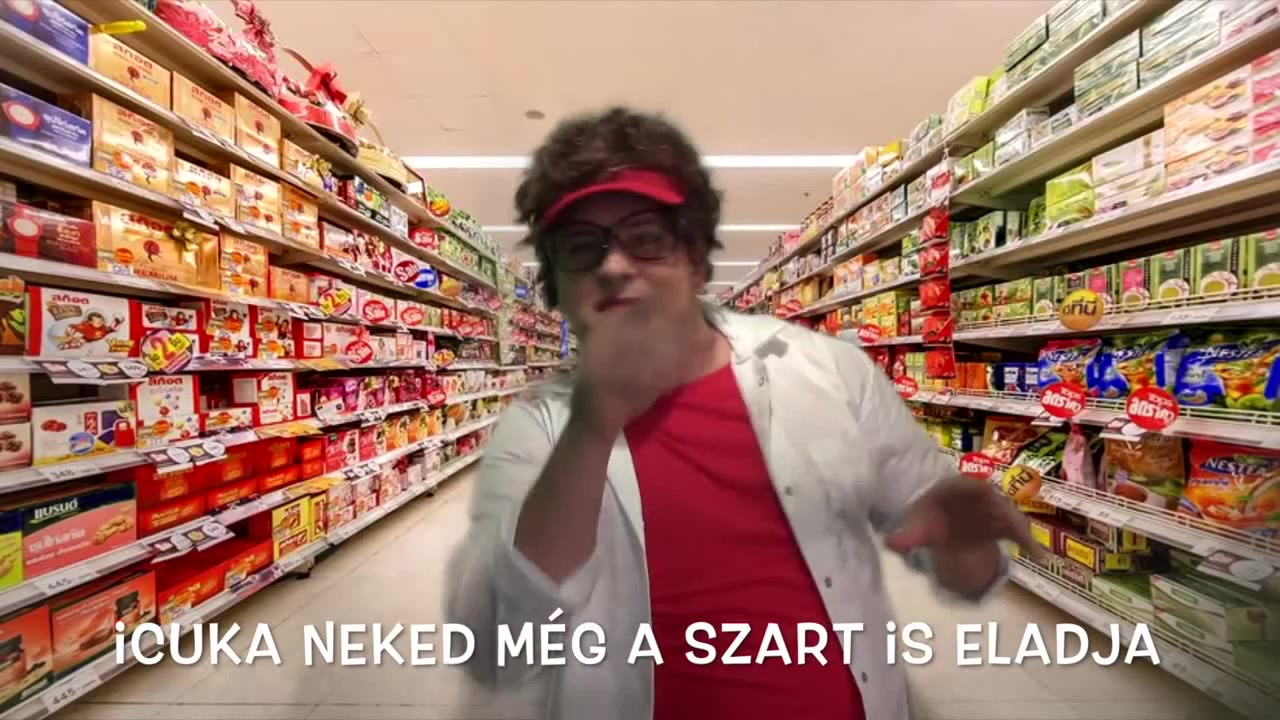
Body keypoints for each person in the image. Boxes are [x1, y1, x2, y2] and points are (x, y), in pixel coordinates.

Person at [446, 107, 1034, 720]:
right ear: (559, 286)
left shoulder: (830, 372)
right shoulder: (540, 428)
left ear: (697, 257)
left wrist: (965, 543)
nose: (613, 266)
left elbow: (966, 571)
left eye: (647, 237)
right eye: (579, 247)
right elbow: (494, 646)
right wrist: (590, 433)